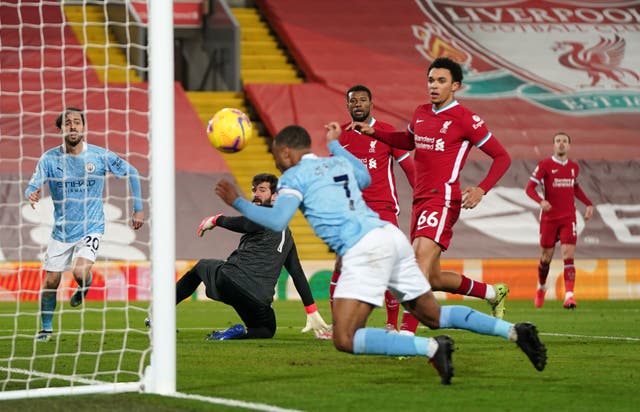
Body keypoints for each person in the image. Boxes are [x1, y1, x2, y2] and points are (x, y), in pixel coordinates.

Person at [215, 124, 547, 385]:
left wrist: (237, 201)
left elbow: (276, 219)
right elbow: (363, 176)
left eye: (275, 154)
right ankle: (516, 331)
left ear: (286, 152)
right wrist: (335, 145)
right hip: (390, 237)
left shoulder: (293, 177)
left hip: (364, 249)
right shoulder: (334, 162)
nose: (275, 160)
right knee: (433, 315)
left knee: (345, 337)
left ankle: (432, 348)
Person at [349, 57, 511, 323]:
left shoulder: (466, 119)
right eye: (431, 80)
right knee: (432, 277)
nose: (434, 86)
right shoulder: (421, 112)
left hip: (443, 199)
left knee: (415, 267)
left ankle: (406, 335)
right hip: (420, 201)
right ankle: (494, 293)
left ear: (455, 86)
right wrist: (374, 132)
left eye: (441, 81)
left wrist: (482, 189)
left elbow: (502, 157)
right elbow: (408, 140)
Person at [25, 107, 145, 343]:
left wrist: (138, 208)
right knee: (51, 281)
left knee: (80, 272)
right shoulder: (49, 159)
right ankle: (46, 329)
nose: (73, 126)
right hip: (61, 230)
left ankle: (84, 284)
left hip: (91, 226)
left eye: (77, 122)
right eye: (68, 123)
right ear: (60, 129)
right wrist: (32, 192)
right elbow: (32, 184)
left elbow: (132, 171)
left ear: (84, 127)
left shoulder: (99, 156)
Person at [170, 173, 330, 340]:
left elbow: (246, 224)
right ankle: (239, 332)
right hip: (258, 297)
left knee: (200, 267)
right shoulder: (288, 236)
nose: (256, 194)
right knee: (266, 330)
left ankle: (160, 314)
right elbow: (297, 273)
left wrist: (217, 219)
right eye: (254, 190)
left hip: (232, 281)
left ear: (275, 197)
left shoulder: (265, 216)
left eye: (262, 190)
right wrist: (311, 310)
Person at [333, 84, 417, 334]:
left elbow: (410, 169)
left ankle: (392, 322)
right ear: (347, 105)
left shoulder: (386, 132)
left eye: (362, 100)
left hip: (383, 208)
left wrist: (422, 197)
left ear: (371, 104)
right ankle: (338, 325)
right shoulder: (340, 138)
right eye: (353, 101)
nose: (357, 104)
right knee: (341, 264)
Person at [525, 132, 594, 309]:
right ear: (554, 145)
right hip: (549, 218)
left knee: (568, 255)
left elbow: (575, 187)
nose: (561, 144)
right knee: (546, 258)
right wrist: (540, 201)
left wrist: (588, 203)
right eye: (558, 141)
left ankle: (569, 296)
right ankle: (541, 287)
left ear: (569, 146)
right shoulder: (545, 165)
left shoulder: (573, 167)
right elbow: (529, 188)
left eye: (564, 141)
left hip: (568, 217)